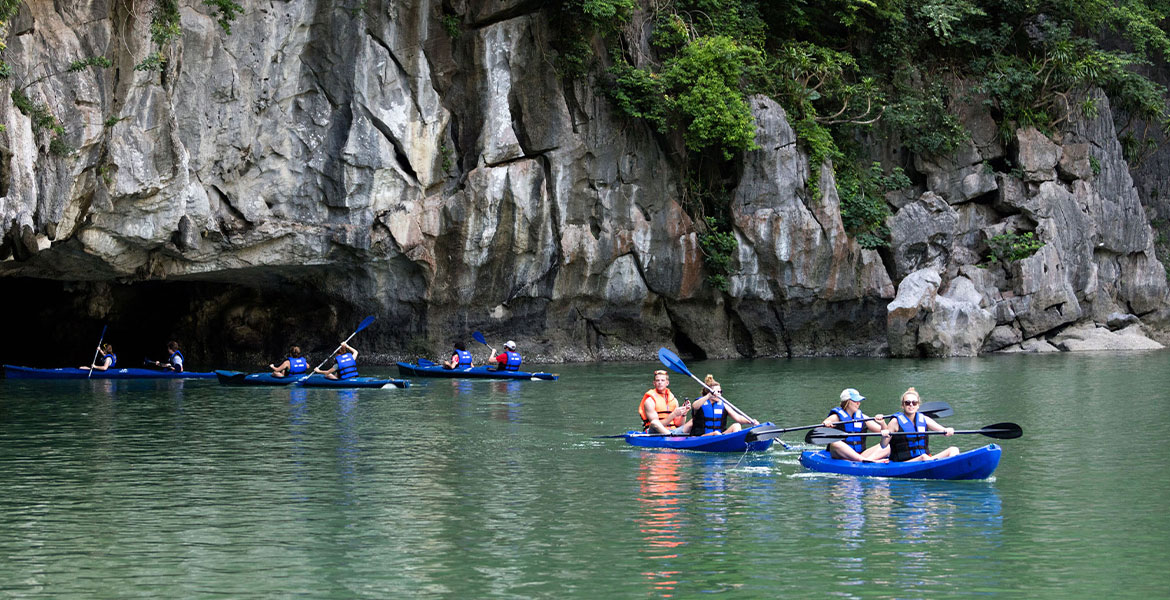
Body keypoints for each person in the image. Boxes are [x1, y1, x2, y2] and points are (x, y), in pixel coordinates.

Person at [880, 387, 959, 462]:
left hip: (926, 459)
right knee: (923, 457)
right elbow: (883, 445)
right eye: (907, 403)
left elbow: (943, 431)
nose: (911, 405)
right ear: (902, 406)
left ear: (918, 405)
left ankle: (952, 468)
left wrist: (948, 430)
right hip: (904, 462)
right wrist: (884, 436)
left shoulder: (924, 419)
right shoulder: (895, 422)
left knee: (954, 449)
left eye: (914, 403)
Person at [672, 375, 758, 436]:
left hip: (720, 436)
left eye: (720, 392)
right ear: (709, 392)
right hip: (701, 437)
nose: (719, 394)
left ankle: (736, 442)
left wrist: (750, 421)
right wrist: (709, 395)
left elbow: (738, 418)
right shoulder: (700, 402)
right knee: (716, 433)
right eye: (717, 392)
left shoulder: (723, 404)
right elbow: (695, 406)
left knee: (737, 426)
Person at [821, 388, 888, 462]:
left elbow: (886, 433)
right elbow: (820, 431)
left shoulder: (863, 418)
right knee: (835, 442)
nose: (858, 403)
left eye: (859, 401)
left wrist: (882, 423)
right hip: (840, 455)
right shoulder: (835, 417)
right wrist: (826, 425)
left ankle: (868, 459)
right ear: (847, 402)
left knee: (889, 445)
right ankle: (866, 460)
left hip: (861, 454)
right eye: (855, 401)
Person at [639, 369, 690, 434]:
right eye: (657, 380)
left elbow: (679, 424)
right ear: (654, 383)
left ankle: (702, 437)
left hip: (673, 431)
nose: (660, 382)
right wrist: (674, 414)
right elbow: (656, 425)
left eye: (662, 380)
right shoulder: (649, 401)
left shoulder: (674, 400)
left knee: (694, 421)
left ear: (667, 383)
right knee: (654, 422)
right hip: (656, 432)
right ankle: (671, 437)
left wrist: (684, 413)